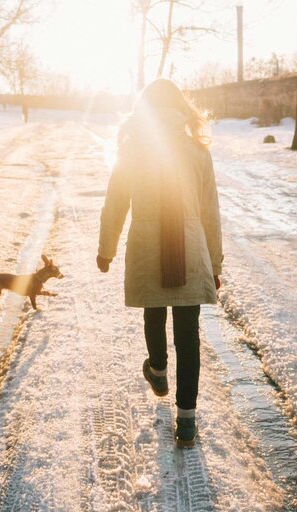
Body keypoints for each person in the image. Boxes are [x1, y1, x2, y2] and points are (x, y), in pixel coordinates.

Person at [97, 79, 223, 448]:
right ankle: (186, 422)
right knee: (188, 336)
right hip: (189, 249)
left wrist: (106, 249)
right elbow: (210, 212)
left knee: (153, 313)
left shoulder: (133, 150)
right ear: (180, 108)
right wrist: (214, 262)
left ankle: (158, 370)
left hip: (147, 248)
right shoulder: (197, 150)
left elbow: (116, 202)